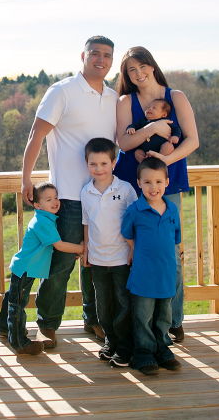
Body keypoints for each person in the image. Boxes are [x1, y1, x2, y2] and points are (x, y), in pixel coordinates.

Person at [21, 36, 118, 347]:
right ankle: (47, 324)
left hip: (103, 195)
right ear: (83, 56)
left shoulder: (114, 98)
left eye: (107, 55)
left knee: (98, 262)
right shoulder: (62, 91)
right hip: (69, 198)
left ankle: (95, 321)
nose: (101, 60)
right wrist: (26, 179)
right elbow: (37, 135)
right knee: (62, 264)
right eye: (95, 54)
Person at [113, 46, 199, 343]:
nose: (138, 74)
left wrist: (163, 163)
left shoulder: (176, 97)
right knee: (130, 249)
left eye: (141, 67)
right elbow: (124, 143)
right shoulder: (125, 100)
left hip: (167, 182)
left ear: (152, 65)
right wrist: (152, 127)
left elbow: (192, 141)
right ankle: (137, 323)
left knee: (168, 253)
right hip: (130, 182)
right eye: (130, 71)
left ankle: (173, 320)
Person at [0, 183, 86, 354]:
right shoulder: (42, 222)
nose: (55, 202)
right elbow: (59, 246)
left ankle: (5, 328)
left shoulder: (46, 218)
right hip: (26, 268)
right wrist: (82, 248)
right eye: (48, 199)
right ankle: (19, 342)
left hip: (26, 267)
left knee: (13, 296)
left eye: (55, 198)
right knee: (18, 303)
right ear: (37, 205)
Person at [121, 158, 182, 376]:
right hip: (143, 274)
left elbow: (175, 238)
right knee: (143, 316)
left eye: (158, 181)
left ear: (167, 182)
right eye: (147, 182)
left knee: (164, 315)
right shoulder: (135, 210)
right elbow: (127, 234)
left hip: (165, 274)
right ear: (139, 183)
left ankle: (162, 348)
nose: (153, 187)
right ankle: (143, 352)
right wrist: (133, 250)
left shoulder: (172, 209)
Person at [80, 137, 138, 367]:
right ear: (86, 164)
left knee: (123, 302)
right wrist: (85, 250)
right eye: (93, 164)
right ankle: (110, 341)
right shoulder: (86, 191)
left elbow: (135, 220)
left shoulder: (125, 189)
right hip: (97, 258)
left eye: (104, 164)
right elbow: (86, 222)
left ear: (114, 162)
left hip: (121, 257)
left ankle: (125, 346)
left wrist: (133, 249)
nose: (99, 169)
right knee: (102, 303)